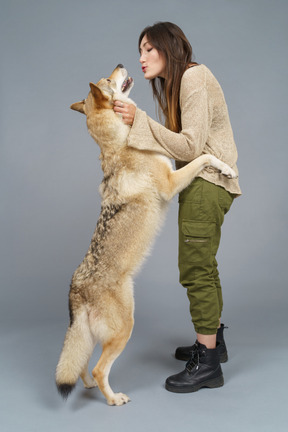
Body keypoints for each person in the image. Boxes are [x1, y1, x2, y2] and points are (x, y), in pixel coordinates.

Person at [113, 21, 241, 393]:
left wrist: (139, 120)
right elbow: (178, 148)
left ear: (170, 47)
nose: (141, 58)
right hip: (202, 182)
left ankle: (207, 364)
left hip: (209, 181)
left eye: (149, 49)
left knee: (195, 267)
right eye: (140, 51)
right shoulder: (178, 83)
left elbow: (188, 147)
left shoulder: (193, 78)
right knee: (204, 263)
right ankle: (213, 341)